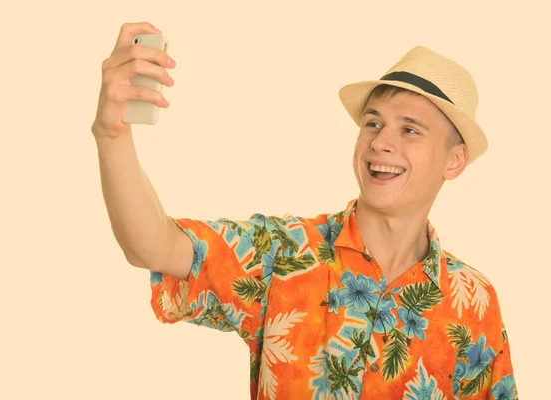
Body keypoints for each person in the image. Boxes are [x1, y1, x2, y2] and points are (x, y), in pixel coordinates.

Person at [92, 22, 518, 400]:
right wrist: (112, 134)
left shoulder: (475, 302)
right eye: (372, 122)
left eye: (409, 129)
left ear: (454, 161)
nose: (380, 142)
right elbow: (154, 246)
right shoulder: (285, 252)